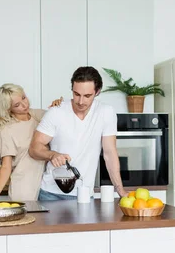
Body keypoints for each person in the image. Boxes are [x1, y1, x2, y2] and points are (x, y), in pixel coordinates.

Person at [29, 66, 127, 201]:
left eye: (87, 96)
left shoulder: (106, 113)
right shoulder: (56, 112)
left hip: (84, 195)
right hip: (50, 194)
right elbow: (34, 148)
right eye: (76, 94)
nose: (81, 101)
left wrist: (120, 190)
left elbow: (110, 153)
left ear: (97, 92)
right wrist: (52, 155)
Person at [0, 84, 62, 202]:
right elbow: (6, 166)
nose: (25, 105)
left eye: (24, 98)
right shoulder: (6, 130)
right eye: (17, 105)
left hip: (47, 186)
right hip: (24, 188)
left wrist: (59, 106)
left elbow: (62, 120)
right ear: (8, 109)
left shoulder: (38, 116)